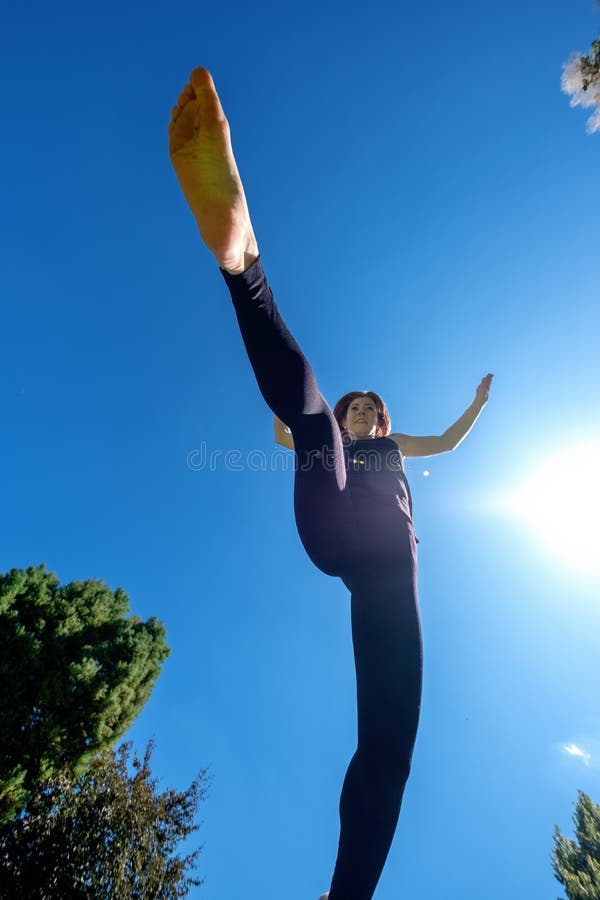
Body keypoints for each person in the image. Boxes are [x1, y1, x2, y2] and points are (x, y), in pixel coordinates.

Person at [169, 67, 493, 900]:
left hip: (374, 570)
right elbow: (297, 423)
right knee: (310, 427)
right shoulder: (335, 437)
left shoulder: (392, 444)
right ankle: (242, 260)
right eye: (360, 409)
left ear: (385, 422)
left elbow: (446, 441)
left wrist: (477, 407)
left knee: (390, 748)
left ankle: (344, 895)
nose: (367, 416)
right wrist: (309, 426)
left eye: (374, 412)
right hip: (357, 540)